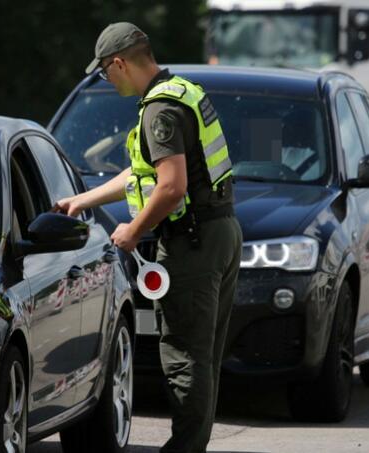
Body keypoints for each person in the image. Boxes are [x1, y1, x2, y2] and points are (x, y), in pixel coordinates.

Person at [53, 22, 242, 453]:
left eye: (105, 72)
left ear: (119, 62)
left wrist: (133, 232)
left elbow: (171, 187)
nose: (107, 80)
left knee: (184, 359)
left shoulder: (159, 111)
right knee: (203, 355)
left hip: (191, 243)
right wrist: (82, 200)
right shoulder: (181, 90)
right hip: (220, 232)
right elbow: (146, 175)